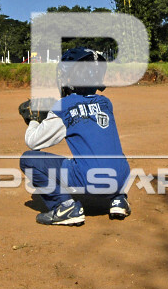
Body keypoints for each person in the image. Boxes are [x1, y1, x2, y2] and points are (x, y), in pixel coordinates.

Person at [19, 47, 131, 226]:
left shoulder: (65, 105)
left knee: (28, 160)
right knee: (108, 151)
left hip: (93, 181)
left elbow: (33, 142)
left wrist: (33, 119)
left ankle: (65, 207)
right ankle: (118, 198)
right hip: (120, 178)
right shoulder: (105, 103)